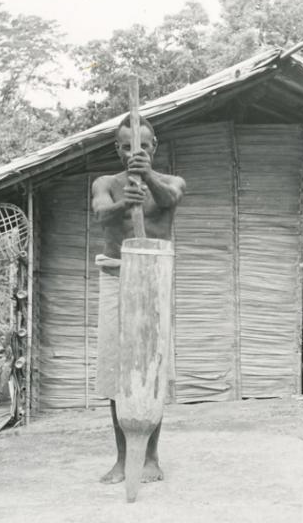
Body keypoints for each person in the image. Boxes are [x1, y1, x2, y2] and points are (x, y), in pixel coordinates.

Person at [92, 114, 186, 484]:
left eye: (143, 146)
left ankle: (150, 457)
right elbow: (101, 213)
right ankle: (121, 459)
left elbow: (170, 199)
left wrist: (146, 177)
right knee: (119, 371)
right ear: (117, 149)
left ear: (153, 147)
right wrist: (121, 204)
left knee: (154, 367)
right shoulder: (106, 184)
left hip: (154, 281)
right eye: (128, 147)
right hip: (116, 278)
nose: (136, 152)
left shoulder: (171, 182)